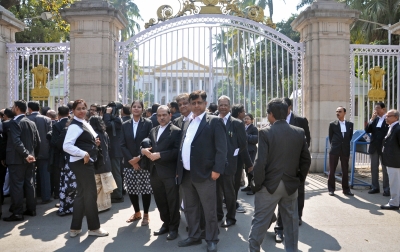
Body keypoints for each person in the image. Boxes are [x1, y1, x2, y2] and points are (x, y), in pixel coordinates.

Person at [248, 98, 311, 252]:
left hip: (269, 186)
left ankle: (254, 249)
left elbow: (260, 162)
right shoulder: (299, 132)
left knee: (260, 222)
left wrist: (257, 184)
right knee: (291, 223)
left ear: (271, 115)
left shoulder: (265, 132)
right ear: (287, 112)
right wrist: (299, 179)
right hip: (291, 186)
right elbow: (306, 160)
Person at [176, 90, 227, 252]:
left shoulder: (214, 122)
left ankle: (212, 239)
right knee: (190, 208)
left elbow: (222, 149)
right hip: (186, 174)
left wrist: (217, 170)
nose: (196, 105)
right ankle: (194, 235)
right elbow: (183, 146)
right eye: (193, 103)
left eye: (199, 102)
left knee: (209, 209)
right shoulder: (186, 122)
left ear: (205, 104)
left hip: (206, 174)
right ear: (189, 105)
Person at [63, 99, 108, 237]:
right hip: (81, 162)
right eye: (78, 109)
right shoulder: (75, 126)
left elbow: (86, 140)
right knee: (90, 195)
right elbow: (66, 146)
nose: (82, 111)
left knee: (82, 195)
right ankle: (94, 228)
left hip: (83, 162)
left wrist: (95, 143)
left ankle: (75, 228)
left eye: (84, 108)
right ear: (73, 111)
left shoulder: (84, 123)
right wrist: (84, 153)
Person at [274, 97, 312, 243]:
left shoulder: (301, 121)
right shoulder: (275, 119)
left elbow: (306, 142)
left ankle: (298, 215)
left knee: (298, 192)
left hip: (295, 165)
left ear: (289, 107)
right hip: (279, 167)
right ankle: (280, 227)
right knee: (281, 196)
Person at [141, 105, 181, 240]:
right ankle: (166, 223)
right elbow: (148, 144)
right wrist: (143, 150)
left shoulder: (176, 131)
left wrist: (161, 155)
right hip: (154, 172)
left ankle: (174, 228)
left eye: (164, 115)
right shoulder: (153, 130)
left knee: (172, 201)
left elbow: (177, 152)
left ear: (170, 115)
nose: (161, 117)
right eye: (159, 115)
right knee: (160, 200)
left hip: (169, 172)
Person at [216, 96, 251, 227]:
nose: (223, 107)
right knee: (216, 192)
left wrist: (233, 153)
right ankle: (218, 215)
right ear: (218, 106)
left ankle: (231, 217)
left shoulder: (236, 123)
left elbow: (243, 144)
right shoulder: (213, 120)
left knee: (229, 192)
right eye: (221, 105)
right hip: (215, 164)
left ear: (229, 107)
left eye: (225, 105)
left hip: (230, 164)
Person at [3, 100, 40, 222]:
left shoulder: (15, 122)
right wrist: (32, 155)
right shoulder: (31, 122)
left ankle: (18, 213)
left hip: (17, 159)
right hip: (30, 158)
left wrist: (25, 154)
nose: (12, 108)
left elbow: (16, 141)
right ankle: (31, 209)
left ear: (17, 108)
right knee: (29, 184)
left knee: (17, 186)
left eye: (13, 107)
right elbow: (37, 142)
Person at [121, 100, 153, 226]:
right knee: (132, 189)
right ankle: (137, 212)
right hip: (129, 163)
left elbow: (150, 143)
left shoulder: (148, 123)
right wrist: (131, 160)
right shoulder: (125, 124)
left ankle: (146, 214)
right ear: (131, 109)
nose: (136, 109)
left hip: (143, 162)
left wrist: (138, 158)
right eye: (134, 106)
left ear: (142, 109)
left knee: (145, 189)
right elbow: (122, 144)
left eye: (139, 107)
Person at [27, 101, 53, 204]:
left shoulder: (27, 119)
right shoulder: (47, 119)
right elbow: (50, 135)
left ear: (29, 109)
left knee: (30, 175)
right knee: (45, 174)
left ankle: (32, 197)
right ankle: (46, 196)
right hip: (44, 150)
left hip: (30, 152)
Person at [89, 116, 116, 212]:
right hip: (106, 161)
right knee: (105, 185)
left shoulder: (92, 134)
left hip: (97, 163)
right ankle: (106, 205)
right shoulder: (104, 133)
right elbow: (108, 147)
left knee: (97, 185)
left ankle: (97, 206)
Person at [230, 103, 253, 213]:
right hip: (236, 160)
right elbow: (243, 146)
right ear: (239, 113)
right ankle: (233, 204)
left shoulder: (228, 121)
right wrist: (249, 164)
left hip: (228, 159)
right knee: (234, 184)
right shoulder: (239, 124)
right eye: (243, 111)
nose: (245, 113)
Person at [328, 106, 354, 196]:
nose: (338, 113)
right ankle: (331, 189)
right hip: (335, 150)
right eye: (336, 111)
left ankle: (346, 189)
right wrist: (335, 145)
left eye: (340, 111)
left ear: (344, 113)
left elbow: (349, 137)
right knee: (332, 170)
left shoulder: (350, 124)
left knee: (345, 170)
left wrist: (344, 145)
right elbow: (331, 138)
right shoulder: (332, 124)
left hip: (345, 149)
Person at [365, 102, 390, 196]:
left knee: (385, 169)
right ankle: (375, 187)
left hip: (384, 148)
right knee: (374, 168)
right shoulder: (374, 120)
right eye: (375, 108)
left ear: (383, 109)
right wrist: (371, 119)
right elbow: (367, 130)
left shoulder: (388, 119)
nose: (376, 110)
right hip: (374, 147)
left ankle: (386, 189)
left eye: (378, 108)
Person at [103, 104, 124, 203]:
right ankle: (116, 192)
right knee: (115, 173)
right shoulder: (115, 119)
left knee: (116, 173)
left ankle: (118, 194)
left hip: (116, 151)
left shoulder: (117, 120)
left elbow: (106, 124)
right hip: (114, 150)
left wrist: (107, 114)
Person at [380, 109, 400, 210]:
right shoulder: (391, 127)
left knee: (394, 182)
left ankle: (394, 203)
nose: (386, 118)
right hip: (391, 160)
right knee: (394, 182)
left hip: (395, 161)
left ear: (396, 117)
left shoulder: (397, 128)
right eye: (386, 116)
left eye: (389, 116)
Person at [49, 105, 70, 201]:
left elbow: (54, 142)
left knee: (58, 175)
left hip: (59, 154)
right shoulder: (72, 123)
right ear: (69, 113)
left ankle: (57, 193)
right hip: (71, 153)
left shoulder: (57, 125)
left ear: (58, 114)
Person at [240, 113, 258, 195]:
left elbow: (255, 139)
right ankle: (249, 185)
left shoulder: (254, 128)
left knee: (251, 170)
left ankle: (253, 187)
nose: (246, 120)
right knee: (247, 170)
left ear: (252, 120)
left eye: (247, 118)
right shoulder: (243, 127)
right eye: (245, 119)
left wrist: (245, 135)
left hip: (251, 151)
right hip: (244, 151)